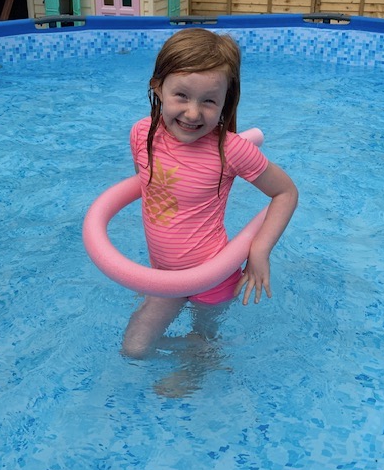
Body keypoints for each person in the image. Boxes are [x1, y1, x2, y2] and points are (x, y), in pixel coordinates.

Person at [122, 28, 298, 359]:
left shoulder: (231, 150)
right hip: (165, 274)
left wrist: (259, 251)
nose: (193, 113)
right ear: (158, 87)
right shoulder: (141, 134)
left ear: (225, 102)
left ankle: (201, 358)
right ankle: (200, 351)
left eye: (208, 101)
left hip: (212, 278)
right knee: (134, 350)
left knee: (200, 347)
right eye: (181, 95)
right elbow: (153, 191)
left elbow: (286, 193)